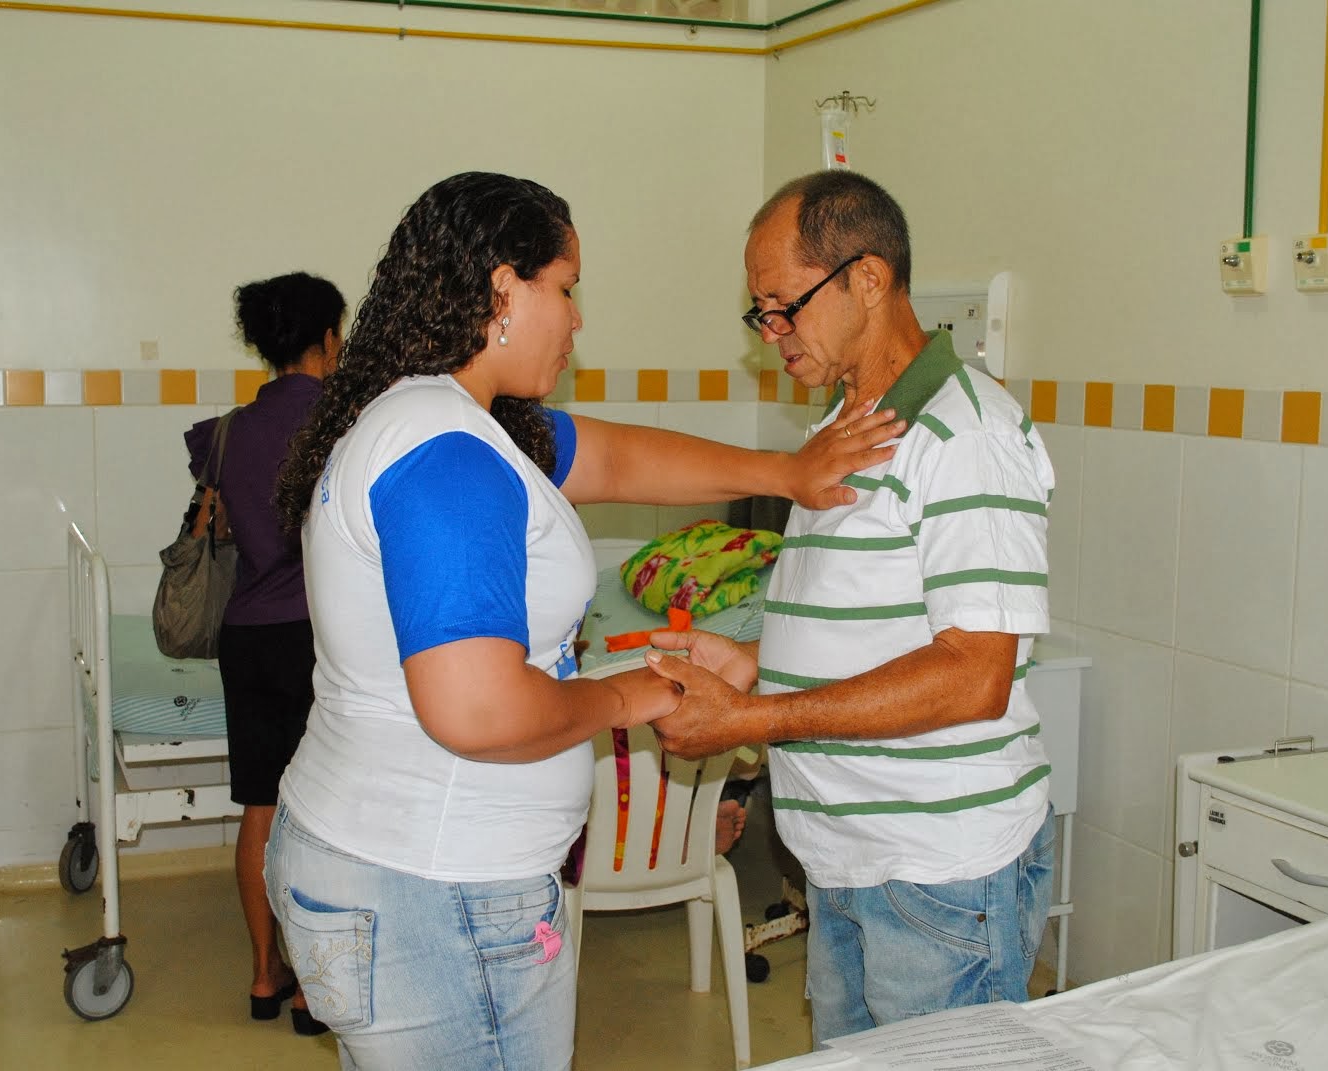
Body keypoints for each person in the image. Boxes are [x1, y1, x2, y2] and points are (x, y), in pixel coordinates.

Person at [264, 171, 903, 1071]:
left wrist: (784, 473)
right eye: (564, 288)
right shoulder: (446, 455)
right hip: (432, 892)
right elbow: (477, 710)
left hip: (391, 864)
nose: (576, 318)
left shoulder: (449, 420)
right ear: (499, 288)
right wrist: (634, 694)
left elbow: (616, 456)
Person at [645, 170, 1058, 1044]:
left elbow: (973, 675)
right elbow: (871, 619)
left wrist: (755, 715)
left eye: (783, 305)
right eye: (760, 311)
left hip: (937, 870)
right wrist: (757, 661)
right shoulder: (846, 425)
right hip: (846, 856)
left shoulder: (967, 436)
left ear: (867, 279)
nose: (771, 333)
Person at [183, 271, 345, 1036]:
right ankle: (314, 991)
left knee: (263, 807)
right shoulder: (346, 424)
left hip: (245, 640)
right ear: (327, 340)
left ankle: (262, 973)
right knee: (324, 814)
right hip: (323, 639)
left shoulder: (223, 435)